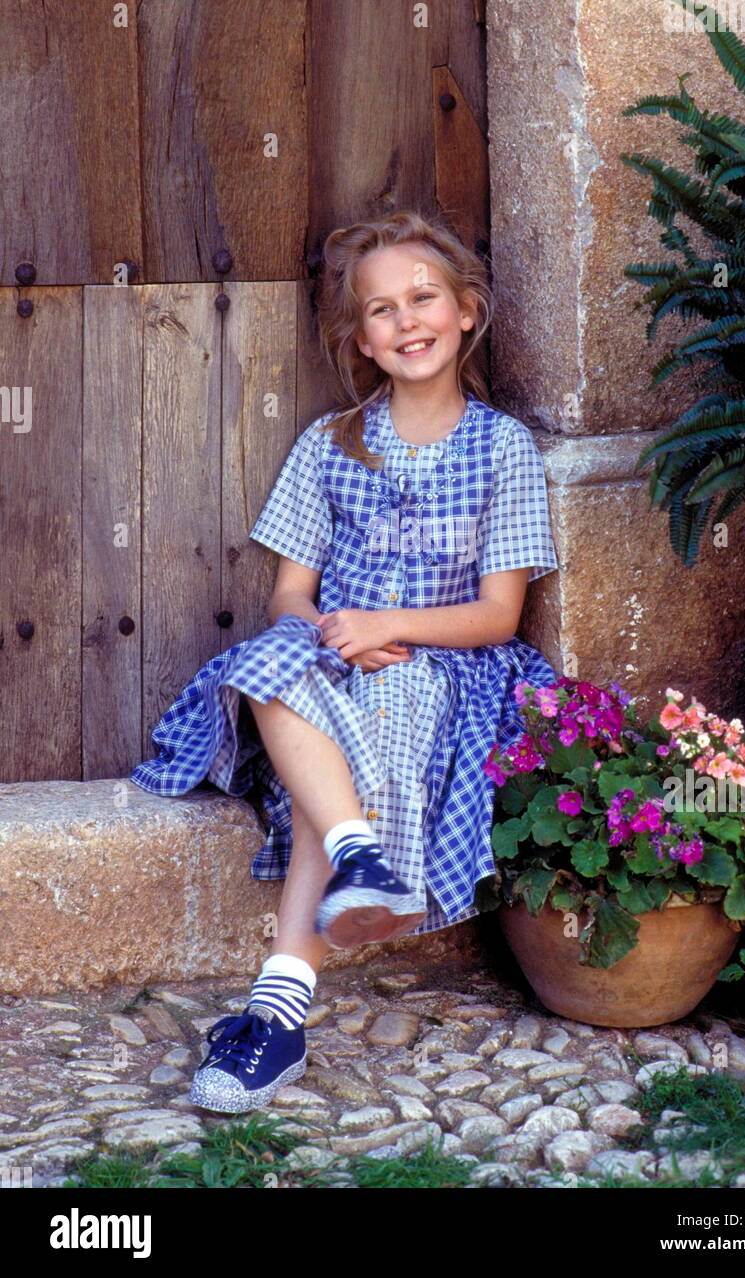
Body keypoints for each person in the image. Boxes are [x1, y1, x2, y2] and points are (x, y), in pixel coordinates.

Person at [129, 209, 559, 1114]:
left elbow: (498, 613)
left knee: (385, 705)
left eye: (423, 299)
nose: (405, 322)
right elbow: (292, 592)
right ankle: (361, 856)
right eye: (380, 310)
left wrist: (386, 629)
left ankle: (276, 1016)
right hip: (331, 650)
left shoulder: (503, 448)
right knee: (266, 661)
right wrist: (328, 635)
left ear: (468, 310)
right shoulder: (330, 442)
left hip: (445, 664)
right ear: (358, 338)